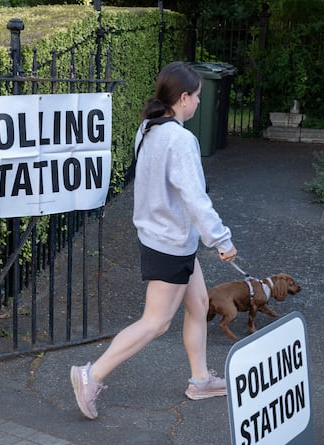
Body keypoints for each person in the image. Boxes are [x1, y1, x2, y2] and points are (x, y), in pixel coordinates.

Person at [70, 61, 238, 420]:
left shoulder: (148, 129)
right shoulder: (179, 138)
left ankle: (200, 379)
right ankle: (91, 376)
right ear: (183, 98)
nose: (197, 104)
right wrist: (221, 239)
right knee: (156, 322)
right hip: (170, 242)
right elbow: (194, 198)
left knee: (199, 304)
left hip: (167, 238)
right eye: (196, 97)